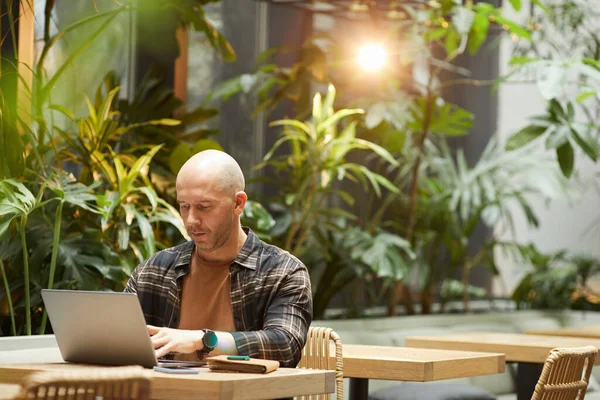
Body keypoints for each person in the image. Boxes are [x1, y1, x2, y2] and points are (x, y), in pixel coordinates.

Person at [124, 150, 312, 367]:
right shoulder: (153, 271)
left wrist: (204, 340)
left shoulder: (283, 271)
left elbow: (285, 345)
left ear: (238, 203)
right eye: (184, 206)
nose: (191, 220)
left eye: (204, 207)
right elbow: (117, 339)